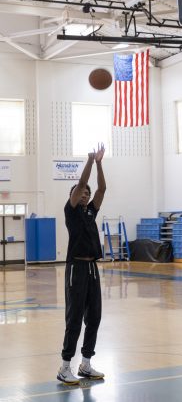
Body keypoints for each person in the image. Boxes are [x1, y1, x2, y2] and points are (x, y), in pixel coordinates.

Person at [57, 144, 106, 384]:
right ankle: (65, 366)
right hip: (75, 267)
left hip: (92, 269)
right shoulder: (71, 210)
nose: (86, 194)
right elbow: (82, 183)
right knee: (74, 318)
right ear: (74, 196)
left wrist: (99, 163)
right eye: (82, 192)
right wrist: (88, 161)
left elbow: (102, 188)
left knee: (94, 317)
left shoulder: (90, 213)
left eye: (87, 192)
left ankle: (85, 364)